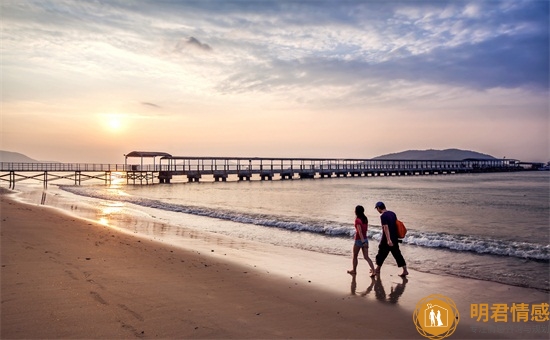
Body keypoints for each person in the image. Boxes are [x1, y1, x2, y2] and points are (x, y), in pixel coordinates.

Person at [374, 201, 409, 277]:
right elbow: (396, 225)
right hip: (395, 237)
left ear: (379, 208)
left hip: (387, 239)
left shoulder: (383, 216)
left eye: (377, 208)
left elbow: (386, 227)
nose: (377, 210)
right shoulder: (392, 213)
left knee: (381, 254)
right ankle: (405, 270)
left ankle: (377, 269)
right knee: (397, 254)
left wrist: (388, 240)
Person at [347, 205, 376, 276]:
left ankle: (354, 270)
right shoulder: (365, 219)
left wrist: (362, 242)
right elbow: (364, 230)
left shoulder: (357, 220)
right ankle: (373, 271)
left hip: (359, 240)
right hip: (365, 239)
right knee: (366, 257)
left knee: (355, 256)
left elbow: (359, 232)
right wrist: (364, 241)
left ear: (356, 211)